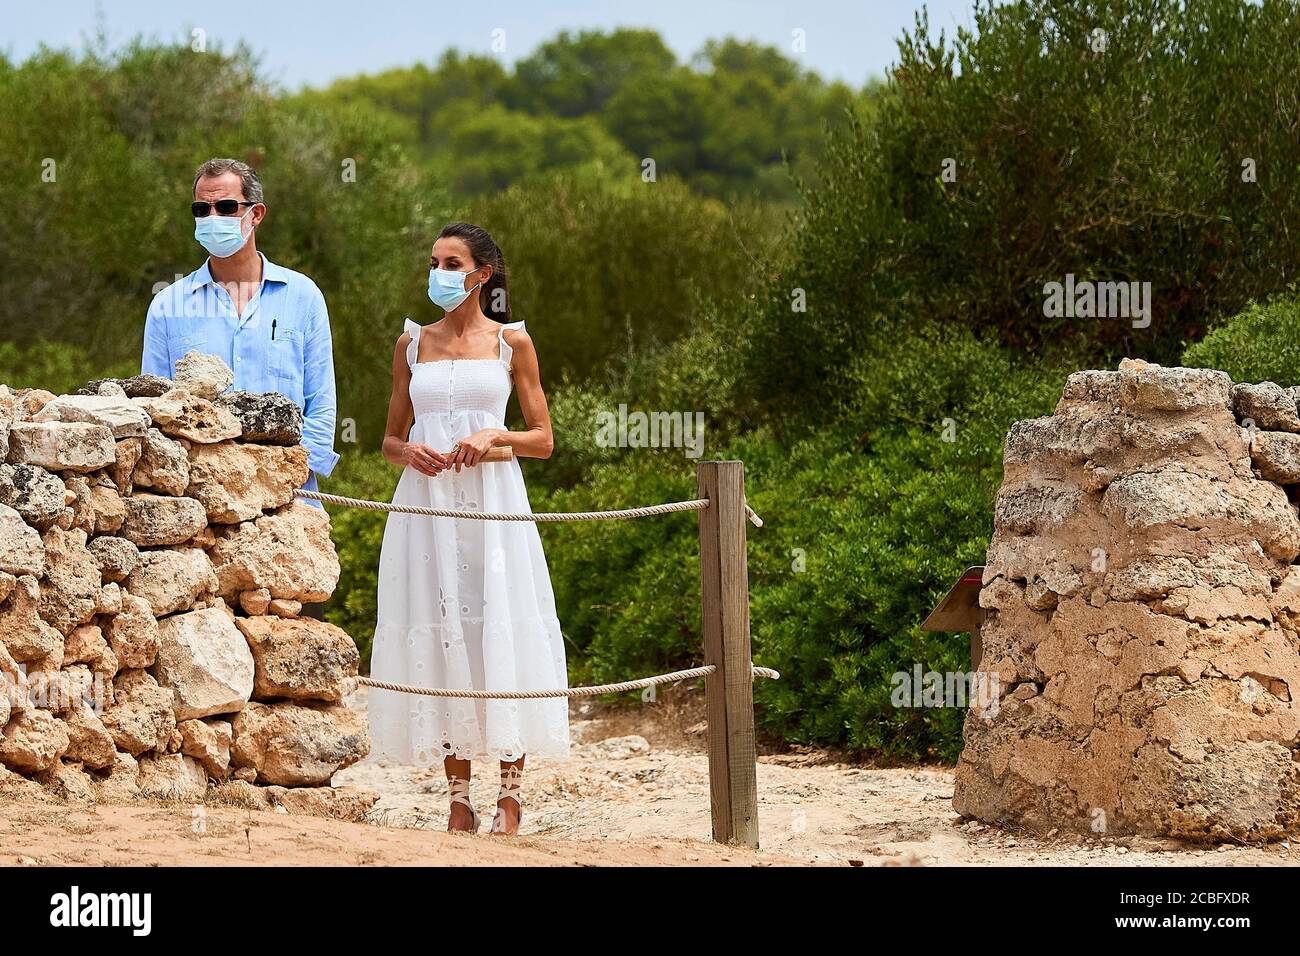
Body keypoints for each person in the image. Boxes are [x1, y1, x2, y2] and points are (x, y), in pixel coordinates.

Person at [369, 221, 569, 836]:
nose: (439, 272)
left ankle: (510, 794)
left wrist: (494, 434)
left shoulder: (513, 343)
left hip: (493, 503)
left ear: (482, 274)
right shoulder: (411, 344)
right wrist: (409, 454)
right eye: (434, 261)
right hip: (426, 506)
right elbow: (388, 440)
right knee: (440, 628)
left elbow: (544, 441)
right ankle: (458, 797)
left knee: (498, 624)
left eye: (452, 262)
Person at [141, 158, 341, 620]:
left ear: (256, 214)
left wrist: (291, 479)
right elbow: (153, 405)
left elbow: (322, 399)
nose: (213, 219)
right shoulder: (167, 306)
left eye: (227, 206)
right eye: (202, 209)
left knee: (291, 648)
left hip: (286, 507)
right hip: (198, 511)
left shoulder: (303, 296)